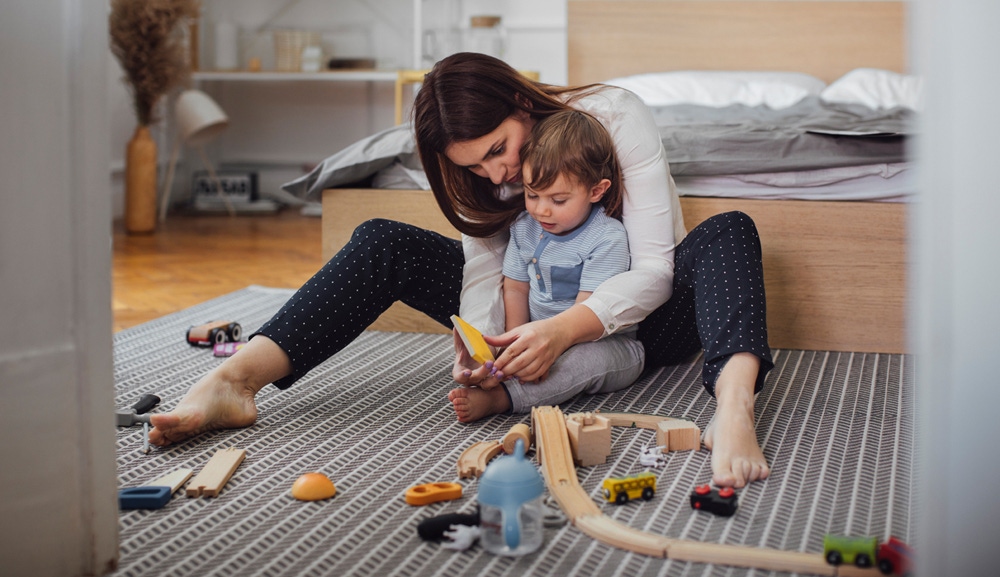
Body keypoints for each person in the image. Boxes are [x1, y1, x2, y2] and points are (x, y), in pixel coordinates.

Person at [150, 52, 773, 488]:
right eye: (477, 167)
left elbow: (655, 270)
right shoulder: (487, 177)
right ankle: (236, 381)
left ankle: (733, 406)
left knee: (730, 232)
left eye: (500, 149)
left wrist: (561, 332)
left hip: (644, 322)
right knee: (380, 242)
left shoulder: (614, 114)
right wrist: (478, 343)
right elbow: (485, 267)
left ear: (522, 104)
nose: (498, 175)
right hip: (531, 311)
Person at [449, 108, 645, 422]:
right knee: (507, 355)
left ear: (596, 191)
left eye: (558, 200)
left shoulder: (607, 237)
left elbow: (588, 310)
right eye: (532, 194)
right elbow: (514, 286)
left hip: (600, 342)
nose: (542, 211)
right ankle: (505, 376)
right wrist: (513, 344)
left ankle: (503, 399)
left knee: (581, 362)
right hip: (539, 337)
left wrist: (547, 350)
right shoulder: (525, 226)